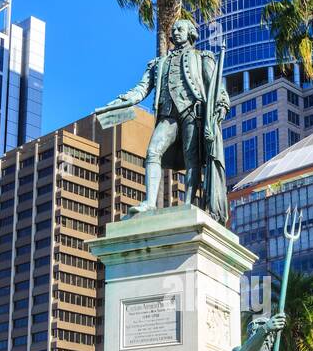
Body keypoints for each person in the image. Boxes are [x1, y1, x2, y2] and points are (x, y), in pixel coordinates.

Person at [95, 18, 231, 224]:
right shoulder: (159, 63)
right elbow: (141, 89)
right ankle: (150, 201)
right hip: (168, 115)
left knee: (191, 157)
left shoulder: (202, 57)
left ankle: (188, 203)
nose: (176, 32)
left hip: (193, 112)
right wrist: (119, 103)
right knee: (152, 152)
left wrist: (221, 103)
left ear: (190, 33)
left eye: (181, 29)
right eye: (174, 29)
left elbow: (215, 86)